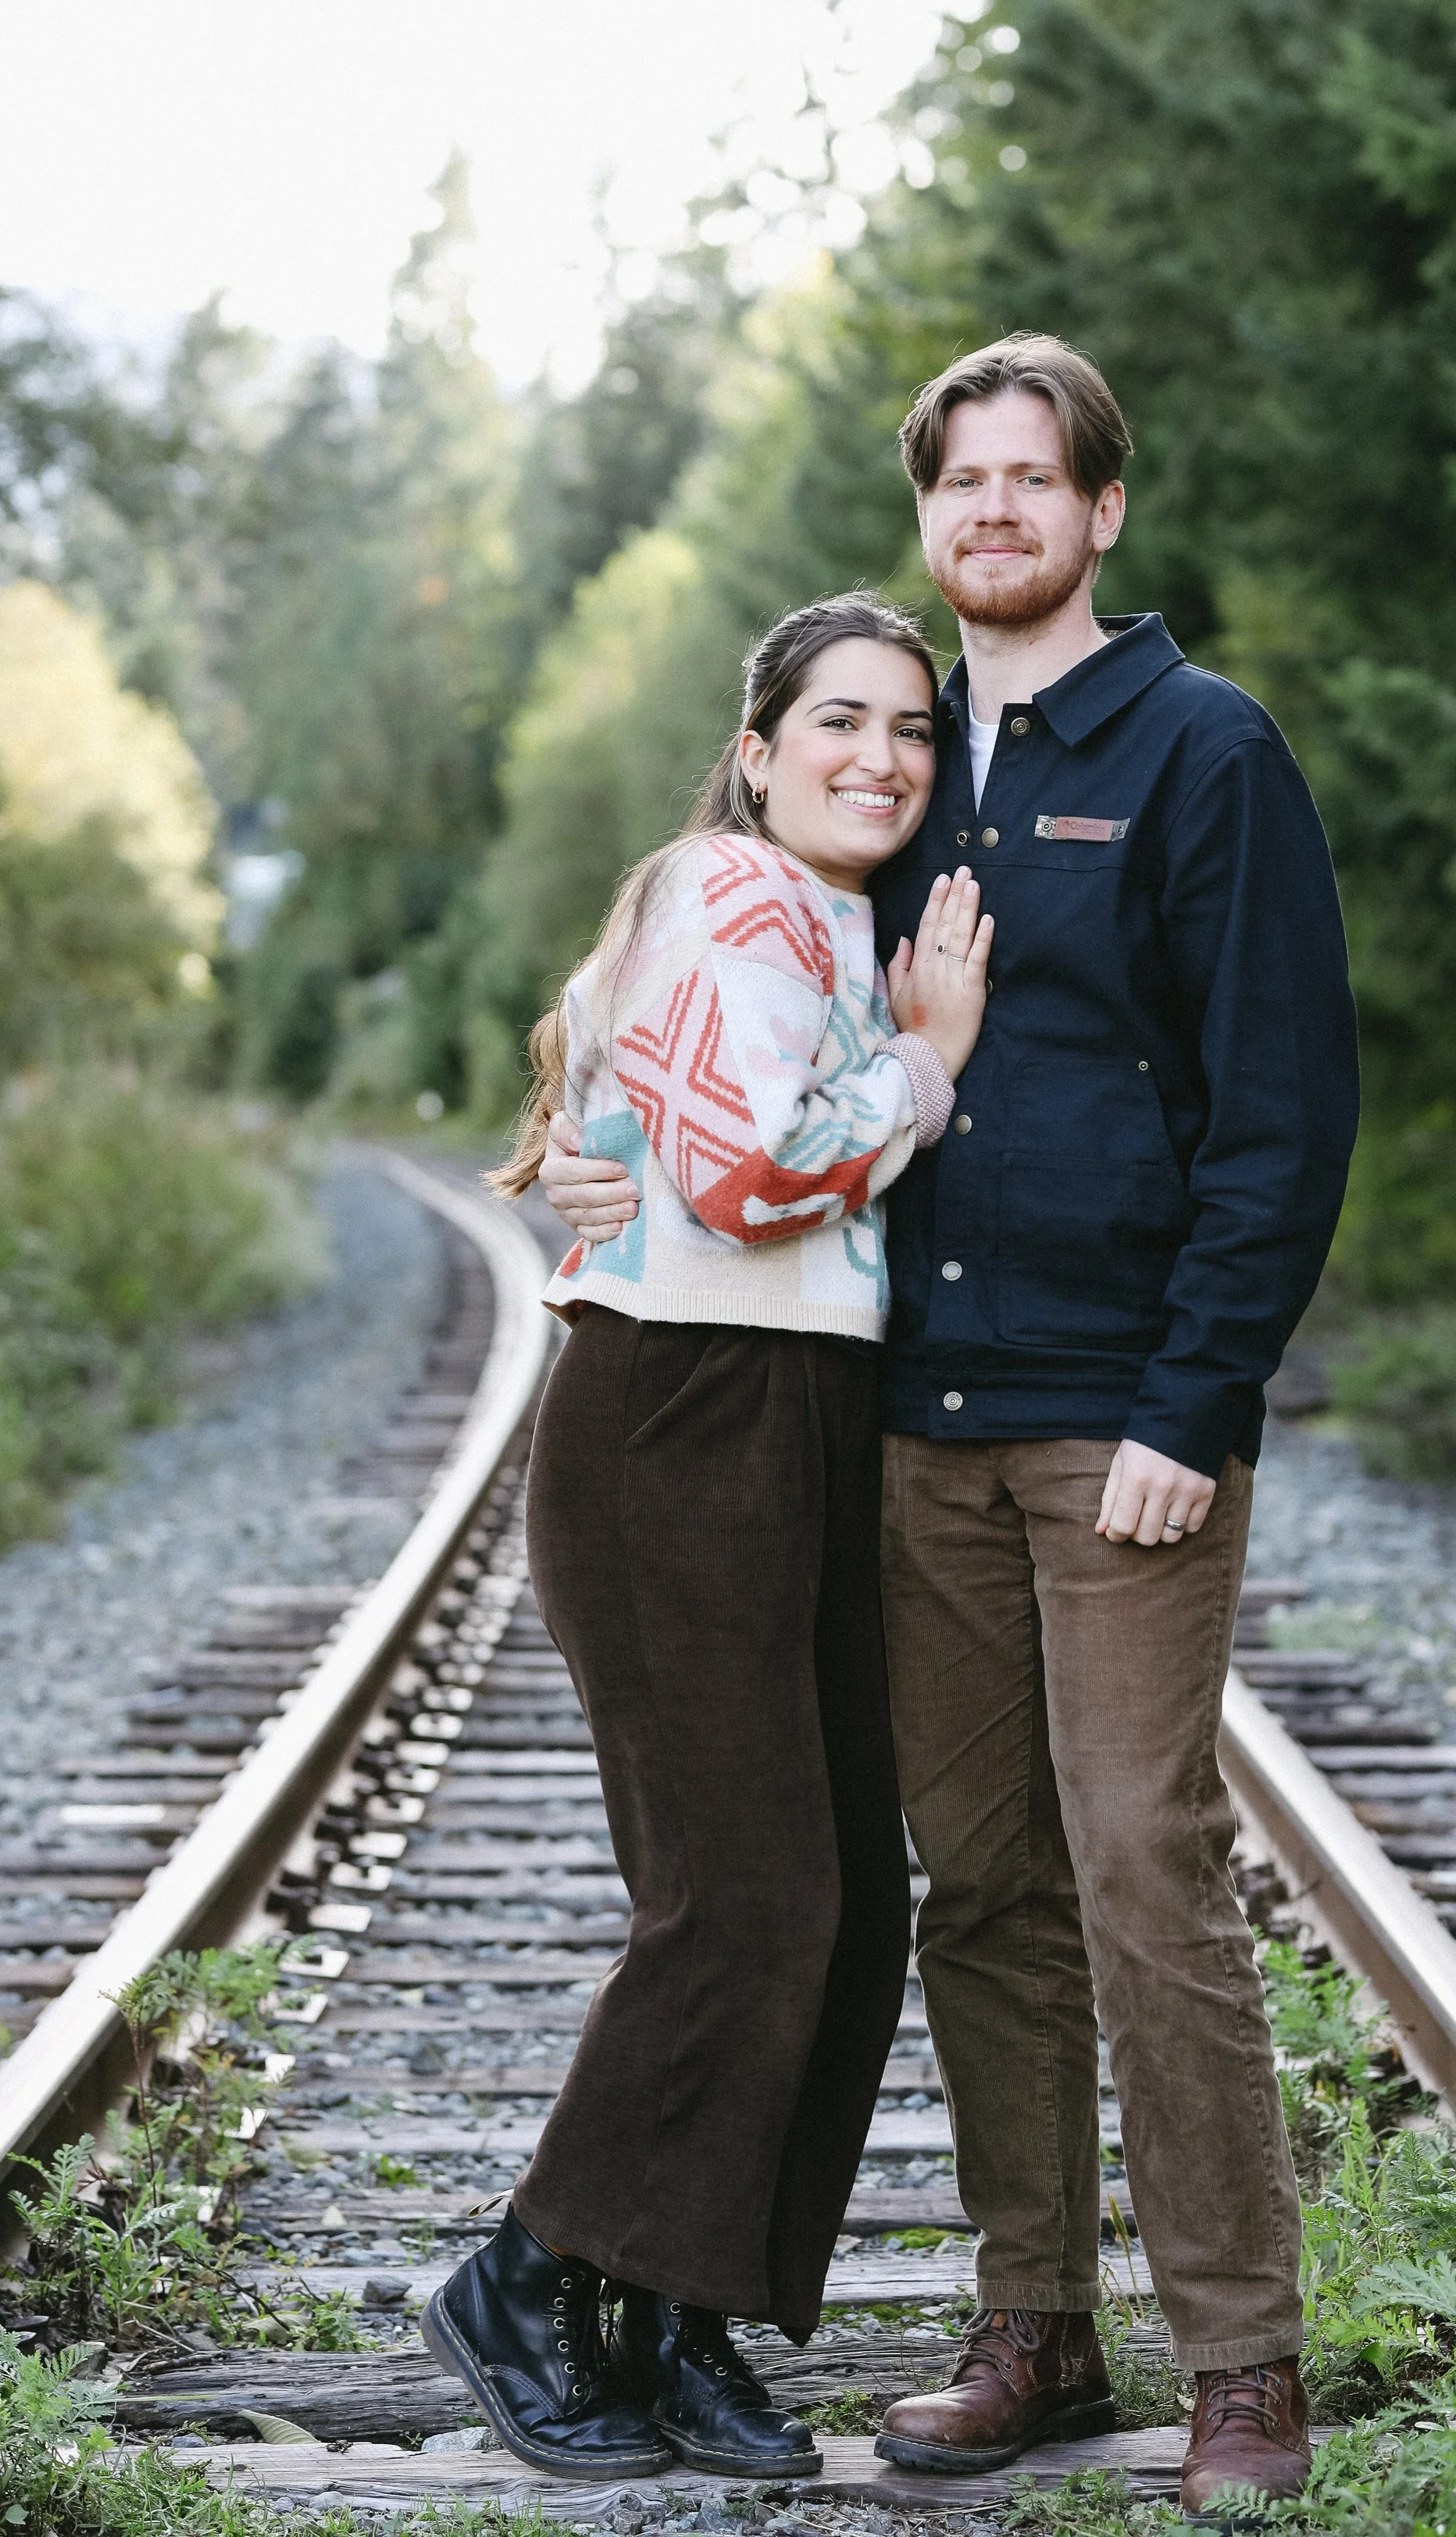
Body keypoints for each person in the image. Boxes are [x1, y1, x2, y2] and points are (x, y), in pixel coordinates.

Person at [543, 336, 1360, 2523]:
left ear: (1102, 512)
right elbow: (703, 977)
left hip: (1121, 1427)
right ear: (930, 517)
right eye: (962, 479)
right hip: (910, 1424)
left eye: (1035, 478)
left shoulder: (1201, 751)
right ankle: (1034, 2323)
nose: (995, 509)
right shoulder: (895, 763)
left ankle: (1239, 2357)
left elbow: (1283, 1113)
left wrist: (1200, 1397)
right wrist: (591, 1142)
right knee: (978, 1884)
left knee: (1139, 1865)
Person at [424, 591, 995, 2485]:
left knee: (842, 1902)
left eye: (911, 732)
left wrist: (878, 1055)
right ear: (756, 749)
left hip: (797, 1417)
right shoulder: (729, 894)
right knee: (746, 1899)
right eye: (837, 722)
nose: (878, 759)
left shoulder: (818, 924)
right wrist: (924, 1065)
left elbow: (632, 1142)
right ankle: (525, 2278)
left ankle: (678, 2319)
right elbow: (751, 1176)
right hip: (683, 1421)